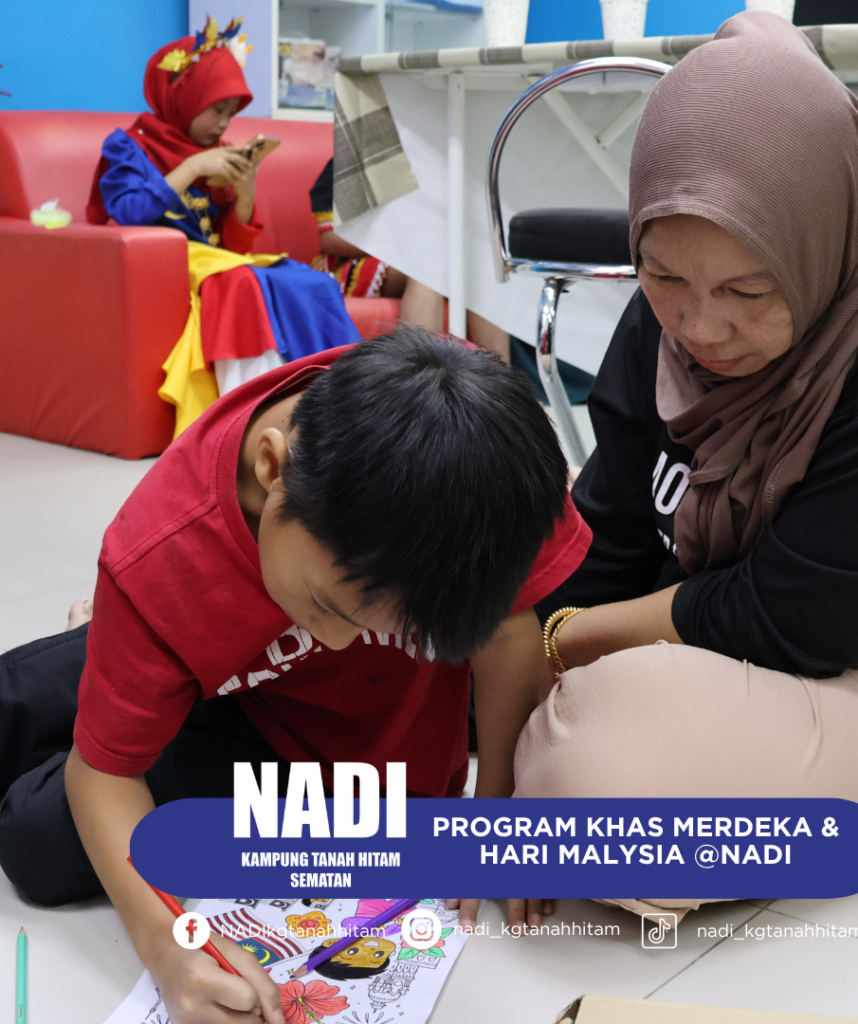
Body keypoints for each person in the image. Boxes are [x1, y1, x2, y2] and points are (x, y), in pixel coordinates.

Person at [519, 10, 858, 921]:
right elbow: (614, 531)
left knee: (603, 785)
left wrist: (555, 645)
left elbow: (796, 619)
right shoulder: (673, 318)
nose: (700, 328)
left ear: (816, 237)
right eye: (662, 278)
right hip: (732, 657)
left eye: (748, 291)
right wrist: (515, 633)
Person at [0, 328, 590, 1024]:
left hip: (312, 748)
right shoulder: (163, 552)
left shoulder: (488, 464)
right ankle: (111, 645)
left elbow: (509, 629)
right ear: (271, 467)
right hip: (207, 653)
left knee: (36, 843)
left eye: (396, 629)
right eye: (326, 607)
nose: (339, 641)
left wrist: (492, 816)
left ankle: (119, 664)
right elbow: (104, 771)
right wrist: (171, 946)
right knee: (17, 704)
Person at [86, 17, 361, 436]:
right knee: (241, 282)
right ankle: (248, 421)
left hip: (216, 261)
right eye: (216, 110)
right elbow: (129, 211)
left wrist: (244, 192)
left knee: (311, 281)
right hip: (170, 263)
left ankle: (340, 407)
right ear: (182, 96)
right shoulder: (128, 146)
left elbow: (234, 248)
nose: (223, 125)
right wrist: (191, 167)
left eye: (230, 114)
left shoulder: (219, 152)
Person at [309, 157, 513, 362]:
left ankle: (499, 375)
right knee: (426, 266)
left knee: (485, 268)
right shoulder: (359, 153)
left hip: (436, 254)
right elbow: (330, 238)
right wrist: (407, 237)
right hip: (358, 260)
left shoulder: (440, 156)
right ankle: (419, 372)